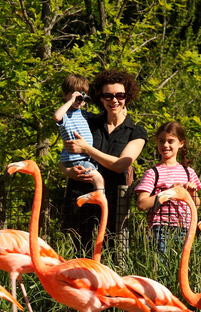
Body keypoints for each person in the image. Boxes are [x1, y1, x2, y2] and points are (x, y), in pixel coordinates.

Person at [60, 69, 147, 253]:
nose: (114, 100)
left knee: (111, 258)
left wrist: (87, 149)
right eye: (108, 95)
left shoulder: (136, 132)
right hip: (81, 201)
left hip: (114, 206)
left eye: (119, 95)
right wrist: (68, 172)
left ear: (127, 97)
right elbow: (65, 156)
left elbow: (120, 165)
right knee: (79, 256)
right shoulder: (87, 122)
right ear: (100, 98)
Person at [134, 121, 201, 253]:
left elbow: (196, 204)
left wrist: (191, 193)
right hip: (160, 229)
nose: (165, 145)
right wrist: (168, 193)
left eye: (170, 141)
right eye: (161, 141)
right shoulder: (152, 173)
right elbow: (141, 204)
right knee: (161, 267)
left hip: (186, 228)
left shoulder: (189, 172)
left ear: (181, 143)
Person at [54, 74, 97, 173]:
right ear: (65, 95)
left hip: (85, 158)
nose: (79, 100)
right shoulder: (65, 115)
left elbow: (101, 117)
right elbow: (57, 117)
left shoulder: (84, 114)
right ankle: (100, 189)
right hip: (74, 159)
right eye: (77, 96)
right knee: (99, 180)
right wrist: (71, 100)